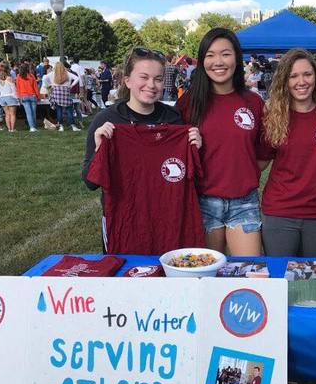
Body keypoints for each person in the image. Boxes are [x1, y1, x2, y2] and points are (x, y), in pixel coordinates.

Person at [82, 47, 202, 250]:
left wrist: (194, 147)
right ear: (127, 80)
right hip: (125, 222)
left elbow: (193, 178)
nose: (151, 85)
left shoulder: (174, 119)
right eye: (144, 77)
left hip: (169, 222)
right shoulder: (107, 121)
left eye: (158, 79)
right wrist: (99, 150)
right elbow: (89, 182)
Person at [177, 27, 265, 256]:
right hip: (202, 201)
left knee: (249, 273)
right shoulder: (188, 104)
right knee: (205, 277)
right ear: (202, 60)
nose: (218, 61)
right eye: (210, 55)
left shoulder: (253, 103)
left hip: (244, 202)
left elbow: (263, 153)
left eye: (225, 54)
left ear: (237, 57)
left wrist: (240, 172)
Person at [257, 48, 316, 257]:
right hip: (280, 212)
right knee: (281, 279)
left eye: (307, 74)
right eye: (293, 76)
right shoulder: (274, 117)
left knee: (312, 277)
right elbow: (260, 162)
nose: (302, 81)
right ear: (285, 81)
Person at [45, 62, 80, 132]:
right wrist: (71, 85)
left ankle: (61, 126)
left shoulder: (52, 74)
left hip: (56, 94)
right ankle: (73, 126)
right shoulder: (67, 73)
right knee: (69, 110)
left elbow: (45, 78)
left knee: (59, 110)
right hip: (66, 93)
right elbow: (77, 78)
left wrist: (50, 85)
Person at [16, 63, 40, 131]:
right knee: (33, 112)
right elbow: (35, 87)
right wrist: (38, 96)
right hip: (33, 95)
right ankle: (34, 126)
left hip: (23, 96)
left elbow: (18, 88)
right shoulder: (31, 76)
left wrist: (19, 97)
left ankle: (32, 127)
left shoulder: (18, 76)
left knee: (28, 113)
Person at [0, 64, 18, 132]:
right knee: (12, 114)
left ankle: (9, 129)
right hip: (10, 96)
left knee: (7, 114)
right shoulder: (9, 78)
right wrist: (17, 98)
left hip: (2, 97)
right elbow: (14, 89)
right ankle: (12, 129)